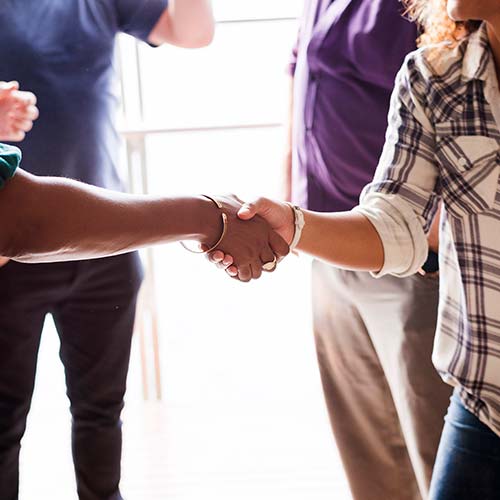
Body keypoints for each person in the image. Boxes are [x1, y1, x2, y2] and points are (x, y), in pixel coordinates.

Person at [219, 0, 500, 498]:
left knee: (421, 440)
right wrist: (295, 222)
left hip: (414, 276)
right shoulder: (434, 75)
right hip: (481, 392)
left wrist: (438, 236)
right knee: (368, 445)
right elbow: (393, 215)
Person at [0, 2, 215, 499]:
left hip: (105, 250)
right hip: (9, 256)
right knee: (3, 421)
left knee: (100, 412)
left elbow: (195, 32)